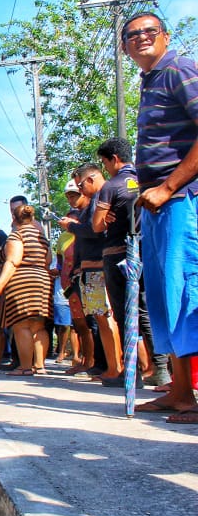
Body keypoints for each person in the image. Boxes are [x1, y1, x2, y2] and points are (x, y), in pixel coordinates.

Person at [120, 11, 198, 421]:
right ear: (124, 46)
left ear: (166, 36)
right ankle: (181, 392)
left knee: (187, 294)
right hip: (157, 206)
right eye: (132, 34)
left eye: (149, 31)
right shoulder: (151, 81)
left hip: (182, 199)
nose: (141, 37)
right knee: (166, 299)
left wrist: (168, 186)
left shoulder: (179, 70)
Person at [94, 137, 169, 387]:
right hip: (146, 252)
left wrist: (105, 216)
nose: (106, 168)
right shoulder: (146, 180)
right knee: (147, 309)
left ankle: (132, 373)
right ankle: (161, 369)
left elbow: (97, 225)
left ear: (114, 159)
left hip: (117, 254)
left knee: (124, 313)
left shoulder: (111, 186)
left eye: (105, 163)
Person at [59, 163, 125, 384]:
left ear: (91, 179)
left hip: (98, 267)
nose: (79, 190)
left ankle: (115, 367)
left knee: (105, 318)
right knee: (99, 317)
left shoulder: (100, 198)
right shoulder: (94, 201)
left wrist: (71, 226)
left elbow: (95, 231)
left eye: (80, 186)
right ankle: (111, 366)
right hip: (91, 268)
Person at [0, 204, 52, 376]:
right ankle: (40, 365)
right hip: (42, 278)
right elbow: (48, 260)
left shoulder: (17, 235)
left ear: (14, 219)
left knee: (22, 325)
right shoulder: (41, 237)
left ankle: (25, 367)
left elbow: (13, 261)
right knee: (39, 325)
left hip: (22, 280)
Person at [58, 180, 96, 375]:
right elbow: (60, 261)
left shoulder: (90, 217)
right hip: (70, 283)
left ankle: (94, 362)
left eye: (74, 195)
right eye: (69, 196)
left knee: (94, 322)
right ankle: (86, 360)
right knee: (79, 324)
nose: (71, 199)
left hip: (90, 276)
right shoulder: (63, 238)